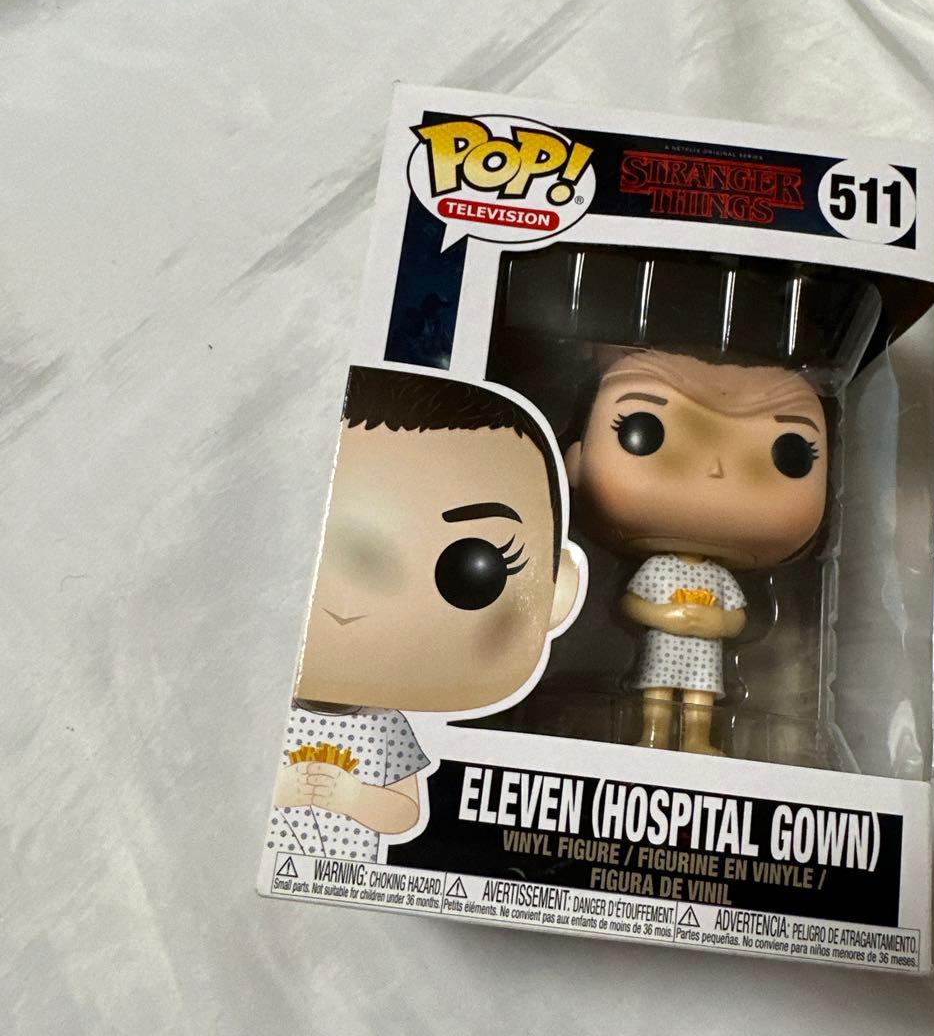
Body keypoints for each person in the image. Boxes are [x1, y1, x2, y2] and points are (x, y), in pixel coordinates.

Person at [266, 366, 581, 862]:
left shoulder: (387, 728)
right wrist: (279, 788)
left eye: (470, 568)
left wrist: (351, 798)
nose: (352, 604)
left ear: (557, 592)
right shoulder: (261, 703)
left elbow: (405, 812)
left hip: (355, 872)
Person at [564, 350, 827, 755]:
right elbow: (631, 604)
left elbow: (737, 617)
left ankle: (697, 740)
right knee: (657, 691)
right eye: (645, 429)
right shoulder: (657, 568)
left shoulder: (719, 577)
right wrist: (662, 616)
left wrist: (719, 622)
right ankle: (653, 735)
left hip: (704, 650)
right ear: (575, 460)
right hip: (666, 643)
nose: (716, 468)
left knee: (701, 698)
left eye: (790, 452)